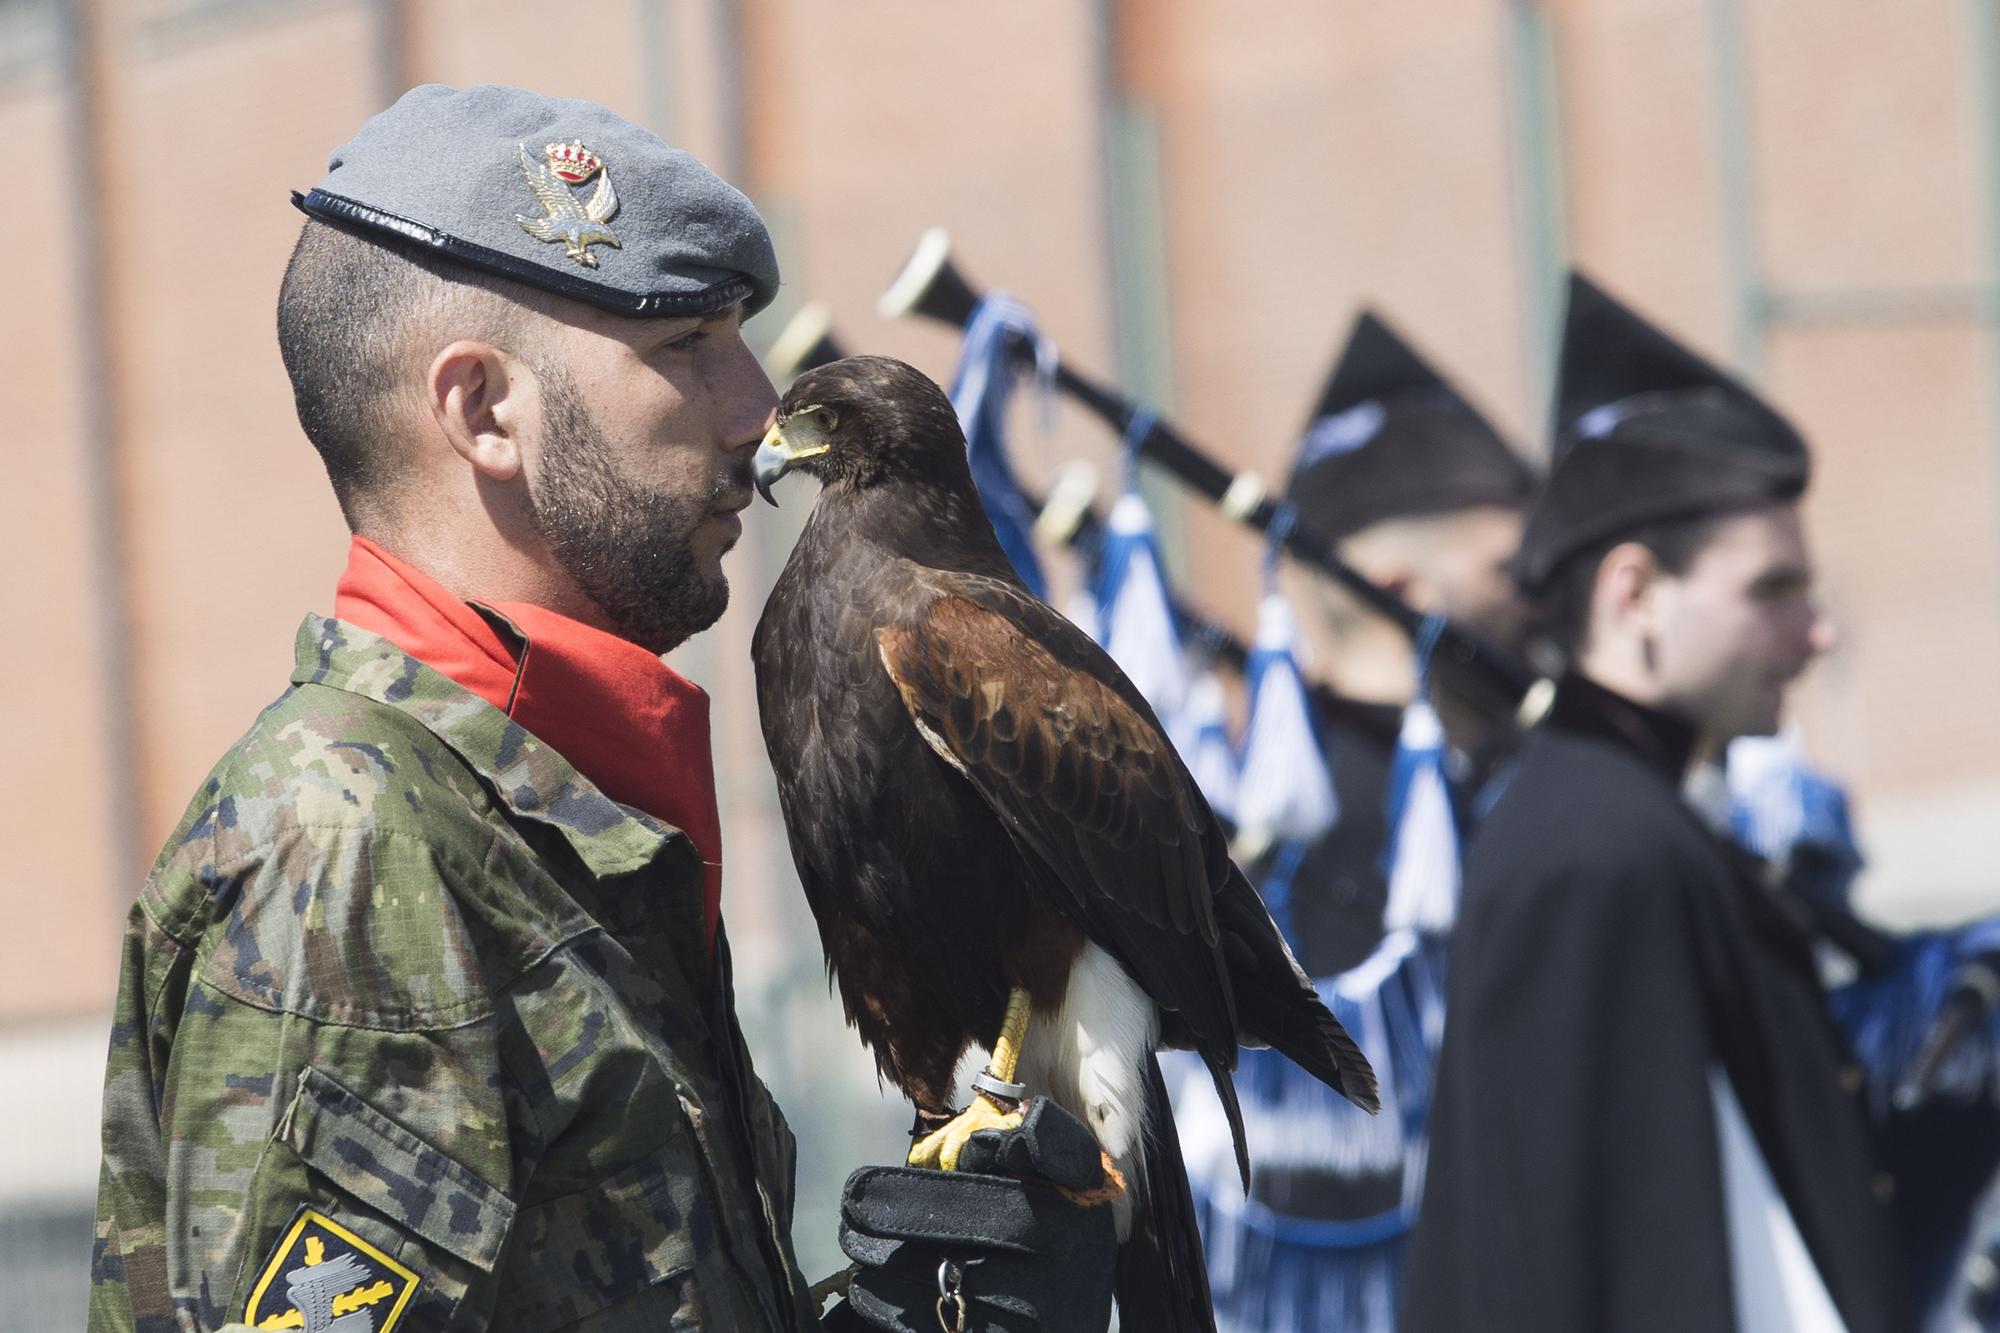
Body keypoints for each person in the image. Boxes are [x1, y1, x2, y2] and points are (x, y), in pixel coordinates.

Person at [88, 84, 1112, 1333]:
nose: (754, 411)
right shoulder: (353, 851)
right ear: (482, 413)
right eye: (686, 345)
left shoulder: (539, 817)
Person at [1402, 273, 1902, 1333]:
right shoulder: (1596, 847)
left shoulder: (1625, 817)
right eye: (1771, 591)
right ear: (1632, 593)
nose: (1814, 634)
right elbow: (1612, 1268)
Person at [1179, 312, 1537, 1333]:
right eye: (1514, 572)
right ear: (1400, 590)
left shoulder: (1519, 784)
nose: (1551, 596)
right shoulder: (1319, 830)